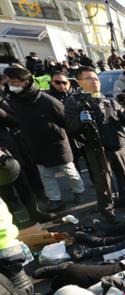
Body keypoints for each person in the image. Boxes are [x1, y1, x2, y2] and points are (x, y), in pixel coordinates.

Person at [4, 66, 84, 212]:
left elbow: (66, 122)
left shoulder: (48, 101)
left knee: (70, 171)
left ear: (26, 81)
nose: (11, 85)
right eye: (9, 81)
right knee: (46, 176)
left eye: (14, 81)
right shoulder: (13, 101)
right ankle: (55, 200)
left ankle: (79, 191)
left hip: (57, 144)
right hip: (35, 146)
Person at [64, 66, 125, 222]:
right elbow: (71, 128)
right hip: (97, 148)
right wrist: (80, 121)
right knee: (104, 182)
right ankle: (107, 209)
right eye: (89, 78)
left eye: (96, 78)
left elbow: (124, 122)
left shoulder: (108, 99)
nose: (95, 81)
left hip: (117, 145)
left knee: (123, 176)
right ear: (80, 82)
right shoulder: (74, 102)